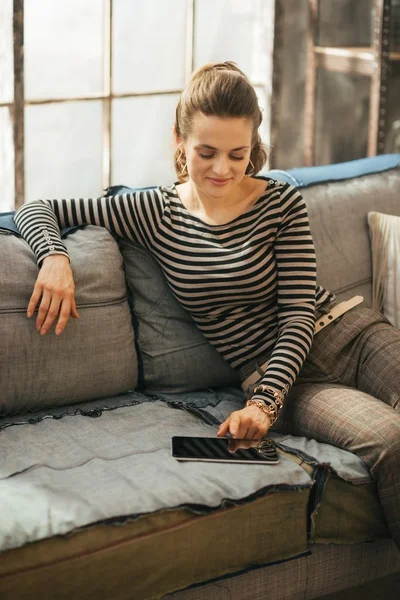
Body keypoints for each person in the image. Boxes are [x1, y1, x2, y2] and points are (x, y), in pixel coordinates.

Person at [13, 62, 400, 550]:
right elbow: (37, 208)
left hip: (349, 333)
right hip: (292, 382)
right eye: (206, 152)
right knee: (391, 442)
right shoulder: (153, 211)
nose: (222, 169)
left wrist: (264, 401)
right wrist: (54, 256)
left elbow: (300, 309)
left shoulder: (281, 203)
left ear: (253, 145)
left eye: (237, 154)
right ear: (179, 139)